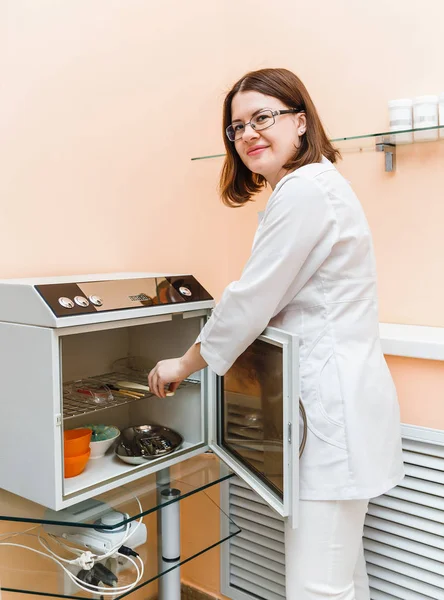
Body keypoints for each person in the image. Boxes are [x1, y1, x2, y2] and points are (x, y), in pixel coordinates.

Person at [148, 68, 404, 600]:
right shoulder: (316, 188)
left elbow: (251, 301)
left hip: (330, 417)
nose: (248, 134)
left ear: (302, 123)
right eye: (236, 126)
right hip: (333, 411)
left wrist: (182, 364)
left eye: (263, 117)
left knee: (318, 587)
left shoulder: (306, 189)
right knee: (340, 579)